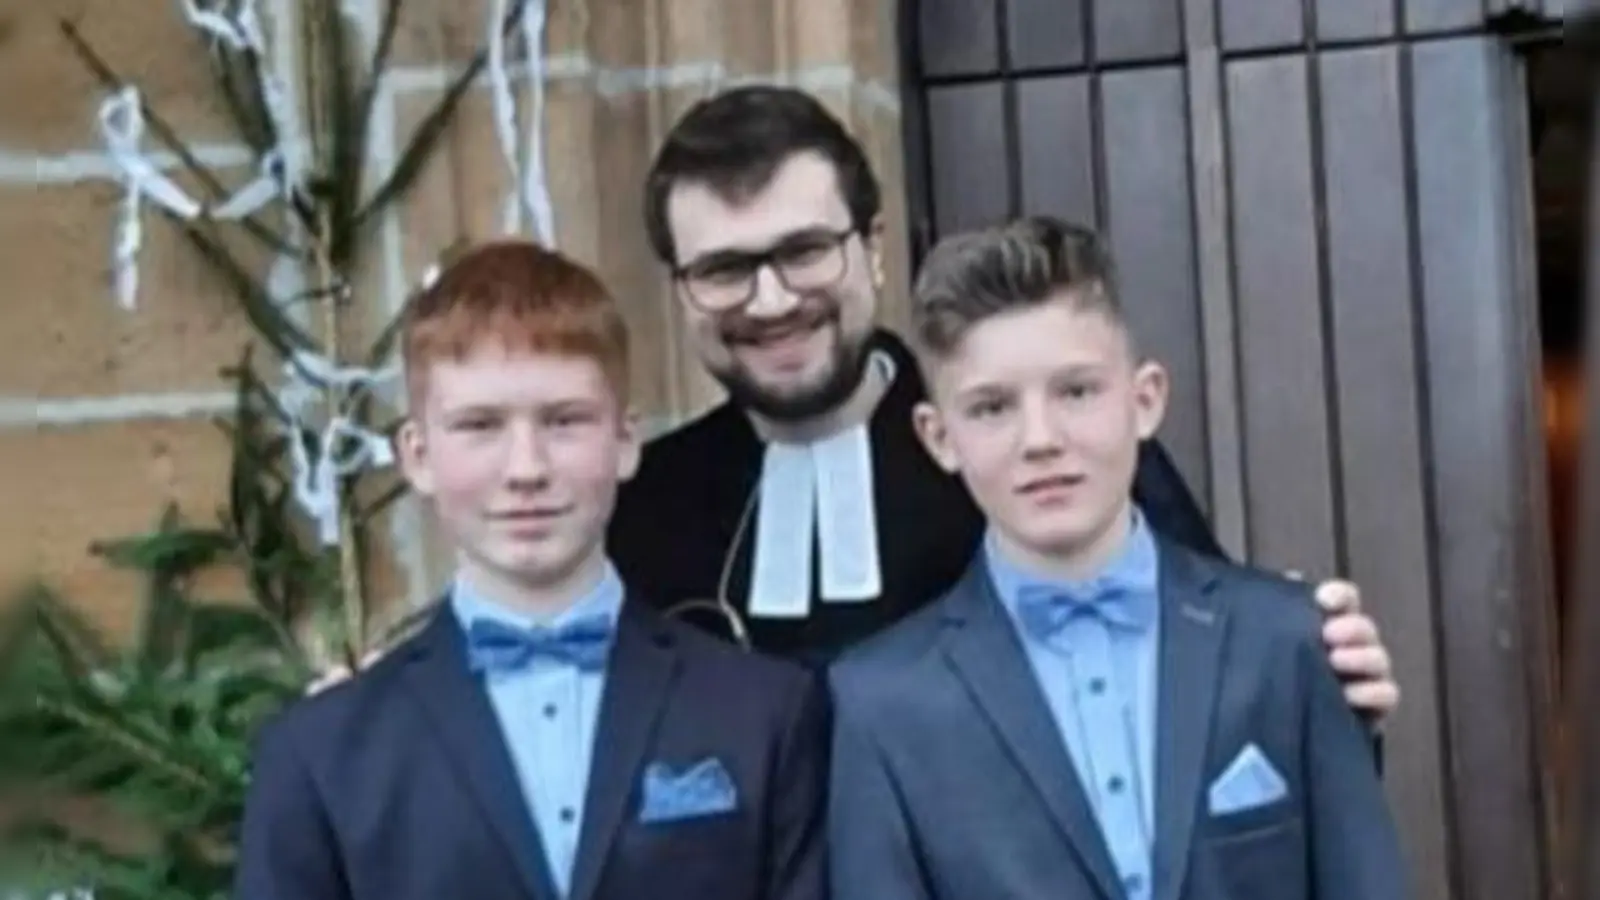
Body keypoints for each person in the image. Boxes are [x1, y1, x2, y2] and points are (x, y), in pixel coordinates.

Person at [312, 86, 1399, 726]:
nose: (772, 300)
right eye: (725, 269)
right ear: (681, 288)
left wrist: (1323, 654)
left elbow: (1202, 649)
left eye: (802, 251)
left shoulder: (1009, 447)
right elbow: (534, 633)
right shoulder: (646, 496)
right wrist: (400, 689)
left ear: (872, 247)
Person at [827, 217, 1408, 900]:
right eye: (991, 408)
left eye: (1076, 391)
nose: (1040, 439)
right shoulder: (882, 702)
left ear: (1145, 399)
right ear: (939, 437)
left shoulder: (1285, 641)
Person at [235, 242, 828, 900]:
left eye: (565, 421)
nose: (526, 469)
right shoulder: (322, 752)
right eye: (480, 425)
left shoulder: (763, 711)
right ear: (418, 454)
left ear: (625, 441)